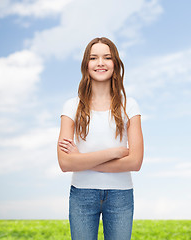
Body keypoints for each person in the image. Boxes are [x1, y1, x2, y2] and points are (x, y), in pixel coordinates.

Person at [57, 37, 144, 240]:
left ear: (115, 63)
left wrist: (82, 160)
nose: (100, 63)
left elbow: (135, 162)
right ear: (86, 64)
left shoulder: (129, 106)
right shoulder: (71, 107)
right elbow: (65, 162)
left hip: (120, 195)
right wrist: (113, 153)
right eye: (94, 57)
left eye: (107, 57)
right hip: (82, 194)